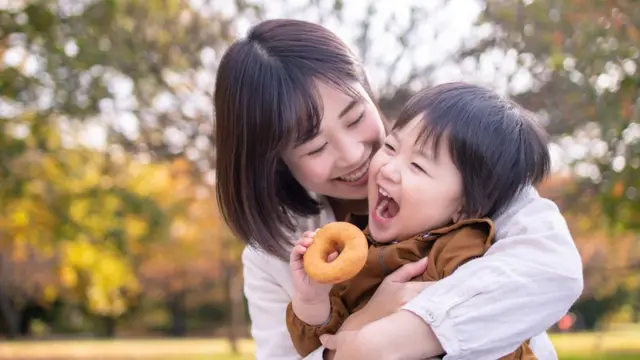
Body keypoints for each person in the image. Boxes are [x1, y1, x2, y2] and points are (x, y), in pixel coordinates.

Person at [214, 18, 583, 360]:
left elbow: (552, 270)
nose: (354, 154)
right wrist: (363, 321)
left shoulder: (464, 165)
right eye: (316, 147)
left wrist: (399, 333)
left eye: (356, 117)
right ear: (275, 161)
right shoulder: (275, 253)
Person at [286, 82, 551, 360]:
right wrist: (311, 299)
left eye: (417, 166)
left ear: (466, 207)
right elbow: (321, 348)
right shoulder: (356, 247)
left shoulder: (460, 257)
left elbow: (488, 337)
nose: (388, 169)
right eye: (390, 147)